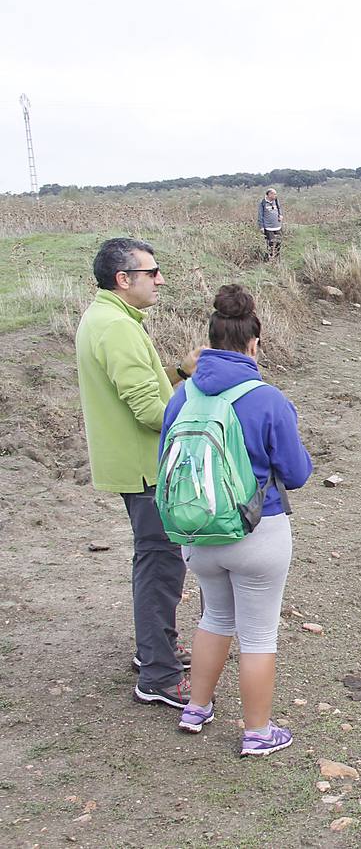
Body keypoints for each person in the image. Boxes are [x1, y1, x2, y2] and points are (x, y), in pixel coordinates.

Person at [164, 284, 313, 756]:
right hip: (257, 530)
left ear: (207, 342)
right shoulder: (267, 399)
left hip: (197, 531)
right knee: (258, 633)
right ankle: (257, 732)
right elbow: (297, 473)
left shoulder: (182, 396)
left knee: (214, 618)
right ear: (254, 344)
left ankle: (196, 708)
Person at [75, 237, 201, 708]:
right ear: (123, 279)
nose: (160, 280)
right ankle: (159, 676)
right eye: (152, 272)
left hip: (135, 464)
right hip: (144, 468)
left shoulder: (109, 319)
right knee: (160, 564)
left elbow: (143, 389)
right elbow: (151, 411)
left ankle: (158, 651)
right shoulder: (117, 328)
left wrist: (179, 371)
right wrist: (202, 405)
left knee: (158, 561)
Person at [257, 188, 283, 260]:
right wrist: (261, 226)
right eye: (274, 194)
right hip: (268, 227)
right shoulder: (262, 202)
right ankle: (269, 258)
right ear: (269, 194)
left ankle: (277, 258)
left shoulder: (276, 200)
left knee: (278, 242)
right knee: (270, 243)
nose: (275, 195)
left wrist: (280, 215)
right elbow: (260, 215)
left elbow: (279, 208)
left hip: (277, 226)